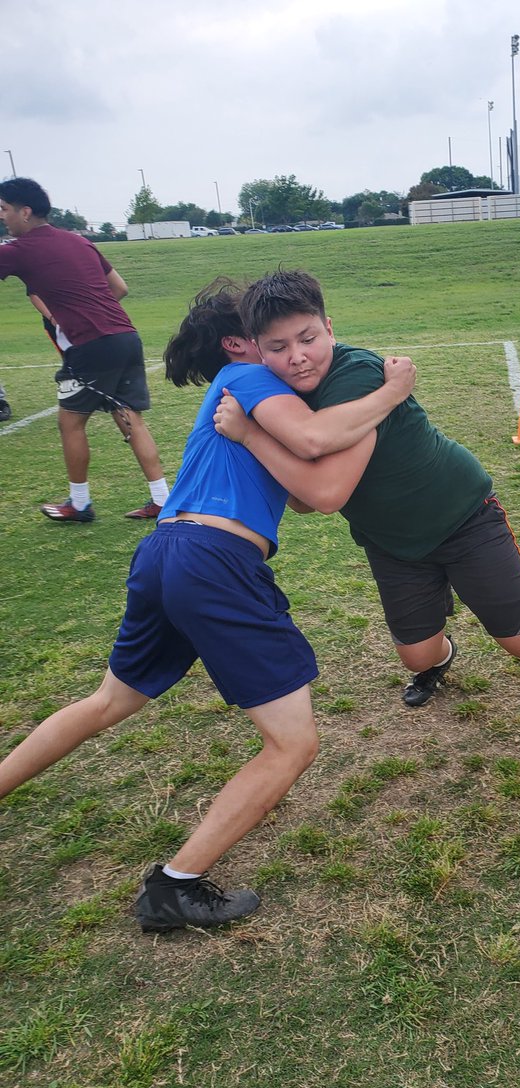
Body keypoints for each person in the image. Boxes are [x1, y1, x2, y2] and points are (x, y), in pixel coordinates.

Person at [0, 279, 415, 932]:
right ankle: (174, 888)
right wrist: (390, 392)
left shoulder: (249, 397)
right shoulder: (248, 380)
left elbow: (308, 492)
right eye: (272, 337)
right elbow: (309, 442)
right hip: (215, 563)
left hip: (166, 553)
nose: (289, 351)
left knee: (109, 702)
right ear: (242, 342)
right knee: (293, 743)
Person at [214, 268, 520, 709]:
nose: (297, 357)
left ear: (329, 329)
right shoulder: (284, 401)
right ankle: (443, 658)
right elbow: (302, 499)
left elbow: (323, 488)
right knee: (417, 656)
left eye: (308, 339)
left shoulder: (357, 372)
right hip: (392, 541)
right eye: (279, 348)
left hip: (460, 515)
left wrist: (251, 435)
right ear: (259, 352)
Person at [0, 176, 169, 522]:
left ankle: (79, 504)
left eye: (4, 210)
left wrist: (75, 320)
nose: (2, 217)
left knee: (71, 424)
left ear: (25, 211)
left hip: (91, 347)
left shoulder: (19, 250)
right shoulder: (79, 242)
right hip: (126, 336)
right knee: (130, 419)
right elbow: (119, 287)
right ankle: (164, 499)